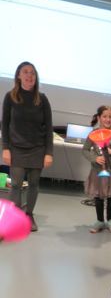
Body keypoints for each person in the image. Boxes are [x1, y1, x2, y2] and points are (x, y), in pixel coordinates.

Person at [1, 61, 53, 232]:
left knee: (33, 184)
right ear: (18, 75)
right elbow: (5, 124)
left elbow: (49, 128)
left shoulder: (42, 99)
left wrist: (49, 153)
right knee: (16, 185)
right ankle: (13, 217)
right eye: (25, 72)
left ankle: (29, 215)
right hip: (16, 148)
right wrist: (5, 148)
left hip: (37, 148)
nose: (29, 75)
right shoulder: (10, 97)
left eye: (32, 72)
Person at [82, 105, 111, 234]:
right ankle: (100, 221)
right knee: (98, 196)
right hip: (97, 171)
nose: (108, 119)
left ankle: (110, 221)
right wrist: (95, 158)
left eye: (110, 117)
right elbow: (85, 150)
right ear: (99, 118)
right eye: (104, 116)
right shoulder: (93, 133)